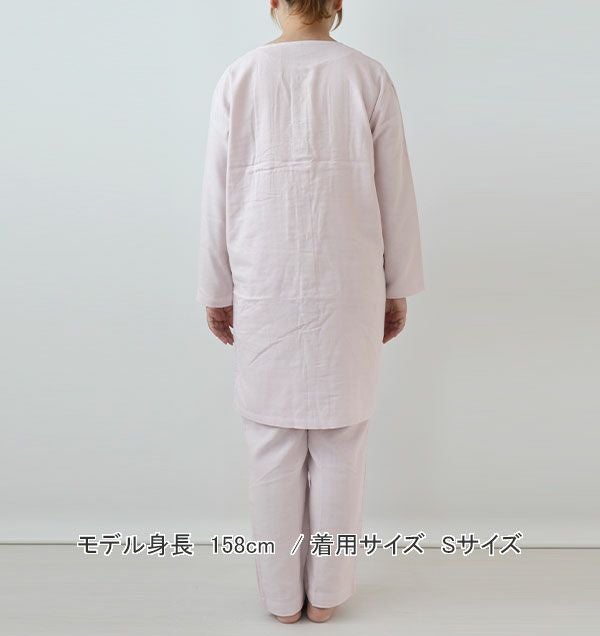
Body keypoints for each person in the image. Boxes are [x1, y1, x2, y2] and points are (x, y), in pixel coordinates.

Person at [196, 0, 425, 624]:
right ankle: (326, 595)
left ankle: (280, 600)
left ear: (274, 4)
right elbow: (395, 190)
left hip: (264, 279)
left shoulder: (240, 76)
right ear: (338, 5)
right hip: (348, 282)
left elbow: (217, 193)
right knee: (341, 440)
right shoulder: (366, 75)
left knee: (271, 444)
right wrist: (397, 285)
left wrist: (216, 287)